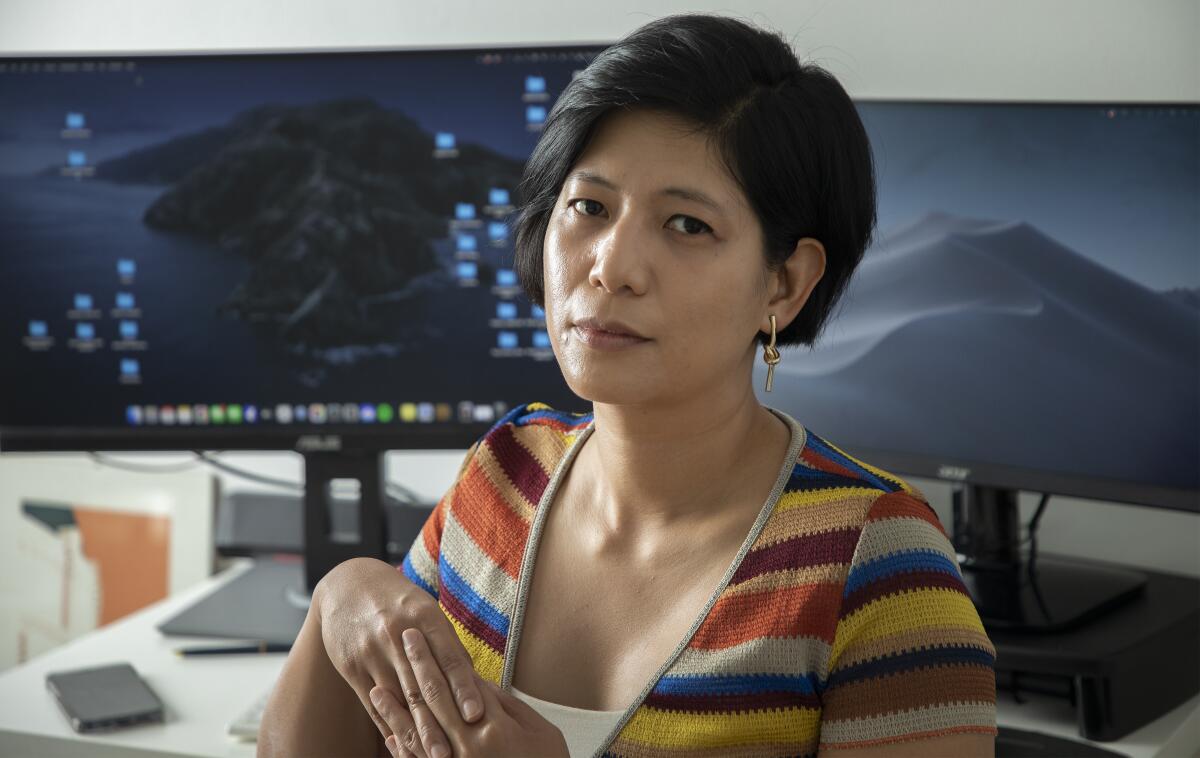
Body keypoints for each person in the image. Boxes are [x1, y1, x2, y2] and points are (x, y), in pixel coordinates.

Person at [258, 12, 998, 758]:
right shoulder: (504, 474)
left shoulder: (881, 566)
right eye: (589, 207)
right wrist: (340, 595)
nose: (612, 266)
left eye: (685, 225)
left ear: (784, 283)